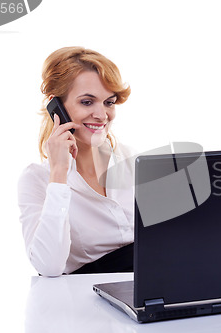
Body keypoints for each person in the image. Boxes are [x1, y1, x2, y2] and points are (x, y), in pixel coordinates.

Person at [18, 47, 134, 277]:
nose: (102, 115)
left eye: (109, 102)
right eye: (87, 102)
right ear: (56, 107)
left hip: (149, 292)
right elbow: (49, 266)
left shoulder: (131, 160)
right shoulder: (37, 179)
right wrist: (59, 174)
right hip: (85, 302)